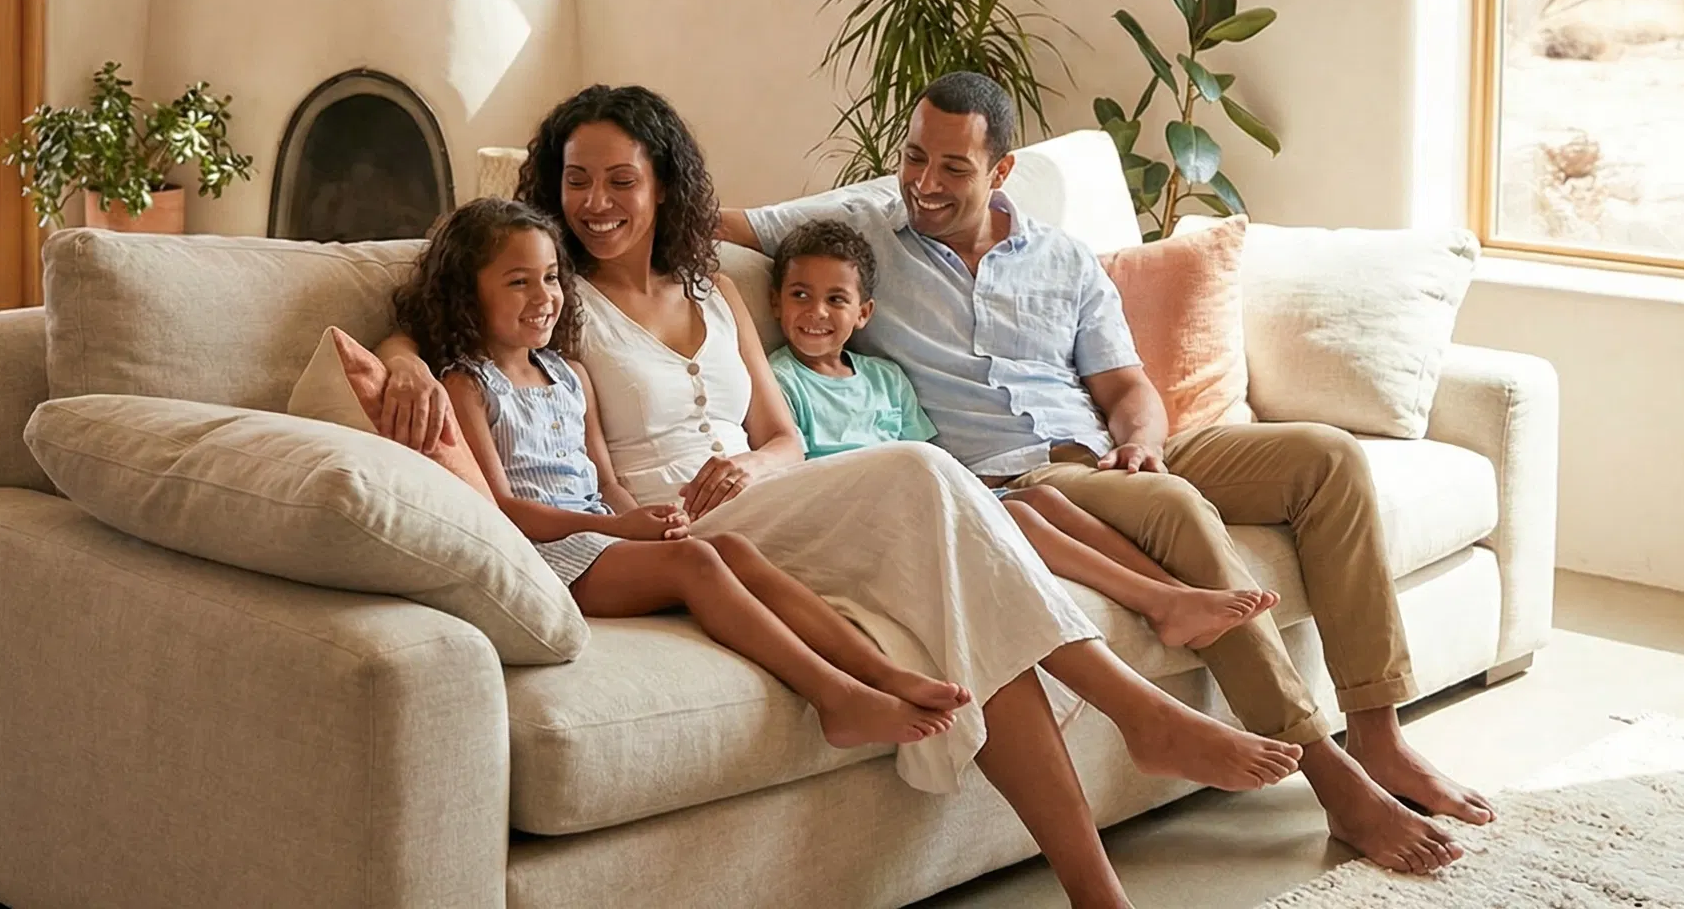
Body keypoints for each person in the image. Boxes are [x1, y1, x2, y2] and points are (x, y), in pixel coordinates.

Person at [375, 83, 1300, 909]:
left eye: (621, 180)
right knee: (925, 470)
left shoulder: (709, 287)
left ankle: (1098, 895)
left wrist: (755, 467)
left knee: (960, 590)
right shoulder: (552, 292)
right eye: (578, 180)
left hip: (783, 495)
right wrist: (405, 363)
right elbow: (437, 320)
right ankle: (1137, 715)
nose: (597, 203)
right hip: (677, 522)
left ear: (661, 182)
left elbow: (780, 436)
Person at [720, 71, 1495, 878]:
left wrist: (1142, 440)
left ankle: (1380, 736)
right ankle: (1329, 775)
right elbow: (717, 224)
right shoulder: (862, 232)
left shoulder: (1059, 257)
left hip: (1115, 449)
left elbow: (1125, 387)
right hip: (1020, 478)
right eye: (914, 158)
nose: (924, 183)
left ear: (1002, 172)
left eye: (953, 167)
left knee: (1327, 458)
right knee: (1174, 508)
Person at [394, 194, 964, 750]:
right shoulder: (466, 386)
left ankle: (881, 672)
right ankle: (835, 697)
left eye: (549, 278)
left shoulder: (570, 375)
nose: (543, 296)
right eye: (518, 282)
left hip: (602, 535)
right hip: (551, 560)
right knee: (695, 560)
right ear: (468, 292)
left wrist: (643, 519)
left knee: (732, 548)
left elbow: (607, 482)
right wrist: (623, 531)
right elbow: (504, 510)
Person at [767, 215, 1281, 652]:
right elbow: (799, 468)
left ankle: (1172, 594)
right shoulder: (778, 380)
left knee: (1043, 501)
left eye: (835, 299)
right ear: (776, 304)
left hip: (928, 495)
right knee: (1019, 513)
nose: (816, 312)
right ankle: (1161, 601)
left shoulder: (885, 378)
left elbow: (928, 452)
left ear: (863, 313)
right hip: (865, 513)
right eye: (800, 296)